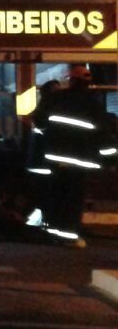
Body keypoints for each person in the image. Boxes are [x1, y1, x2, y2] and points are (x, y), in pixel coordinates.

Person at [29, 64, 107, 248]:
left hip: (55, 159)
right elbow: (102, 133)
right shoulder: (93, 103)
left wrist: (49, 138)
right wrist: (107, 158)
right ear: (88, 82)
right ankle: (69, 236)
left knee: (56, 196)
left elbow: (39, 121)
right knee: (73, 200)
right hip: (79, 161)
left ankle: (53, 232)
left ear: (70, 80)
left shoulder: (56, 98)